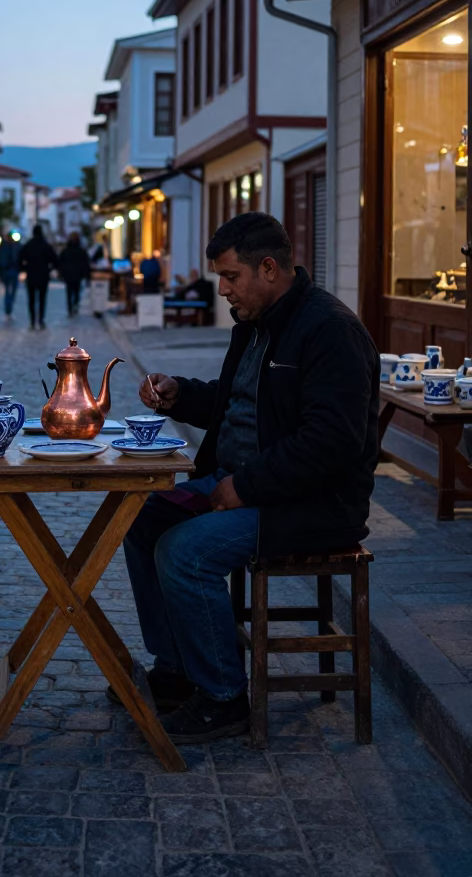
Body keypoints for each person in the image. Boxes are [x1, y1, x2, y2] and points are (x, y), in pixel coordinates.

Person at [118, 212, 379, 744]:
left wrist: (245, 486)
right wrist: (181, 394)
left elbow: (331, 442)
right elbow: (236, 402)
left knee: (185, 553)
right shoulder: (255, 324)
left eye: (231, 277)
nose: (223, 290)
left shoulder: (330, 330)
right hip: (241, 481)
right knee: (138, 517)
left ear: (268, 268)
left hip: (309, 505)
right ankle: (175, 669)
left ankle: (223, 698)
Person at [19, 224, 58, 330]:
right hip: (43, 275)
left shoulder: (28, 245)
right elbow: (55, 260)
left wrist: (24, 268)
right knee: (42, 299)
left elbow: (20, 259)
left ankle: (32, 321)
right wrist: (49, 269)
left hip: (31, 275)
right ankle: (40, 320)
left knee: (31, 300)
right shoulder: (46, 246)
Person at [58, 232, 91, 317]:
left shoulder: (66, 251)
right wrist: (87, 275)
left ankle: (70, 309)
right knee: (76, 292)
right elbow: (86, 264)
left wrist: (61, 273)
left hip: (69, 275)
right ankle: (75, 305)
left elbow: (60, 263)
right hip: (77, 275)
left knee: (69, 293)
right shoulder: (81, 251)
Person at [0, 233, 21, 320]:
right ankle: (8, 309)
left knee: (10, 291)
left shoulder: (6, 246)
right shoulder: (11, 246)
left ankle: (8, 309)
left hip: (10, 271)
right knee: (10, 291)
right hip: (10, 271)